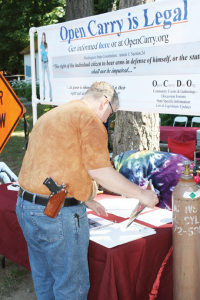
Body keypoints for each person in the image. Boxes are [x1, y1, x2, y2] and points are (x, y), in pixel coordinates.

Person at [16, 81, 158, 300]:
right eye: (111, 113)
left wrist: (87, 197)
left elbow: (53, 164)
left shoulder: (52, 115)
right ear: (104, 103)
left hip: (26, 207)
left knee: (44, 279)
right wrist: (142, 195)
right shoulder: (90, 120)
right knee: (71, 288)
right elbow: (100, 171)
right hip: (57, 215)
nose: (107, 120)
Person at [40, 32, 52, 101]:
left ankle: (50, 97)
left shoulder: (46, 45)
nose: (43, 38)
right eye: (42, 37)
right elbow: (42, 53)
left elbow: (46, 53)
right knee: (43, 80)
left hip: (47, 62)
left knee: (49, 79)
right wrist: (44, 51)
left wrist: (44, 52)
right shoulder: (41, 46)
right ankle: (44, 97)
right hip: (42, 63)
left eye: (44, 37)